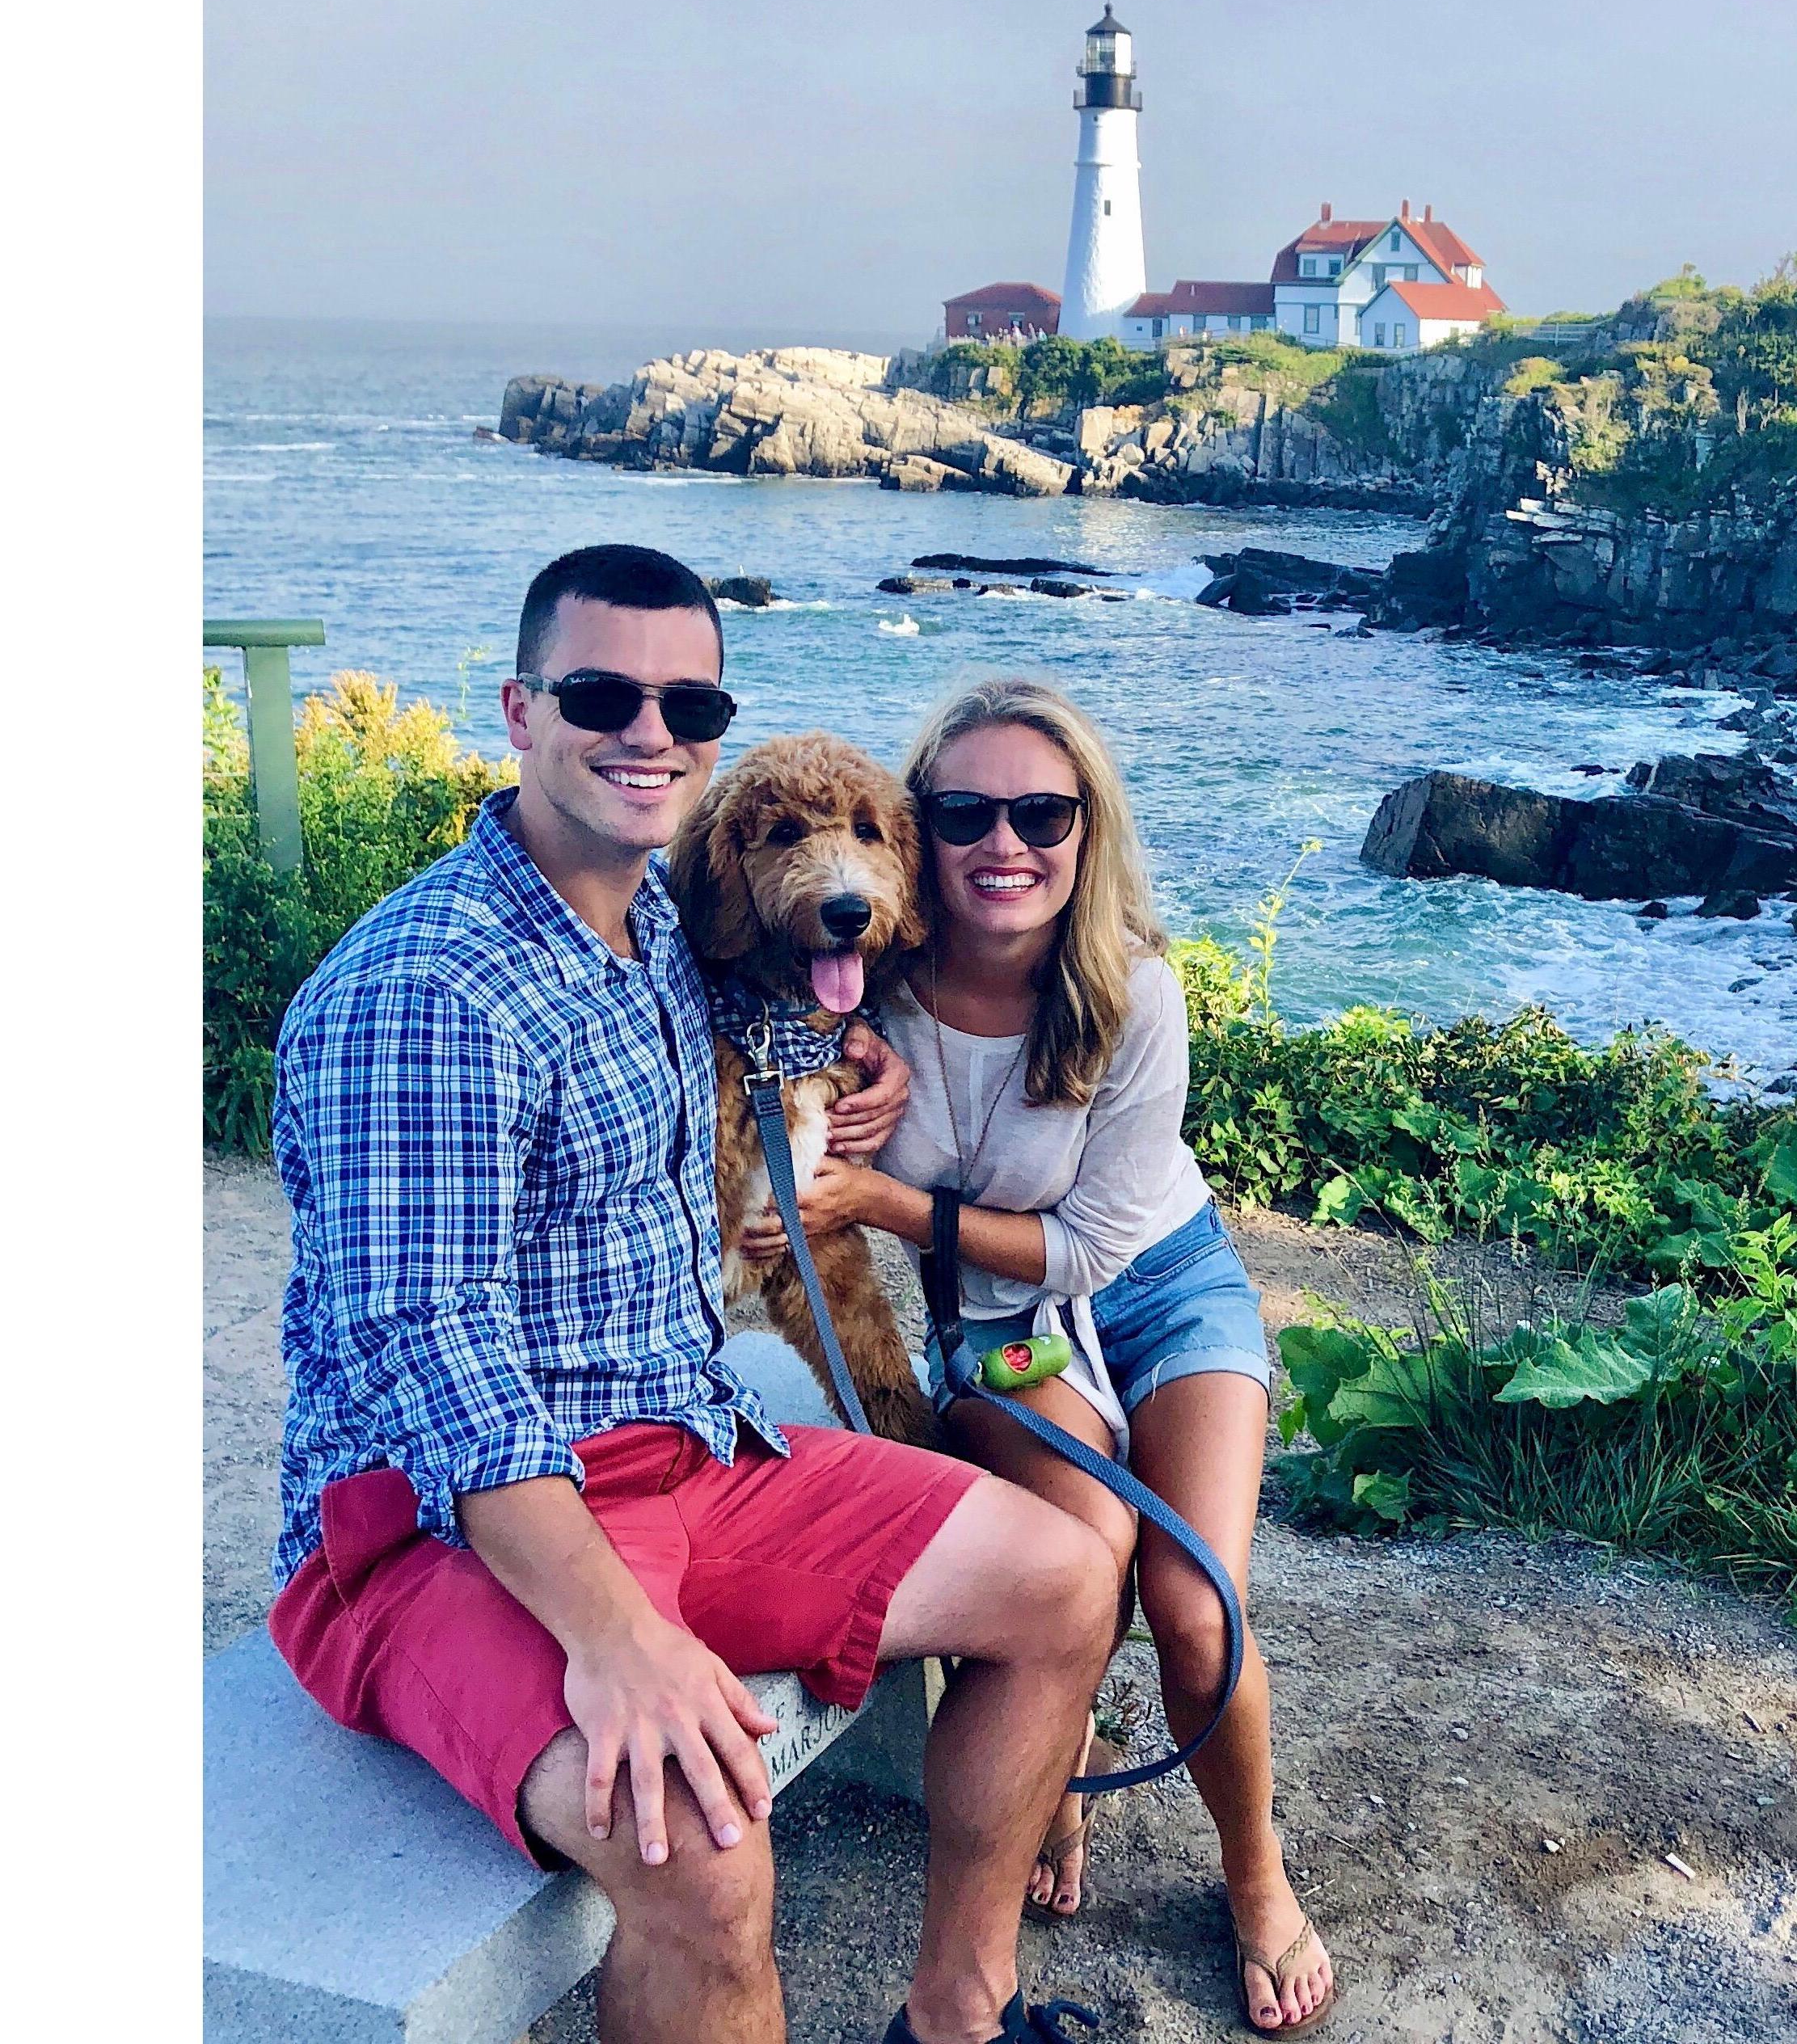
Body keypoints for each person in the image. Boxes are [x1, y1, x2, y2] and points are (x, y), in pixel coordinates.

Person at [268, 546, 1118, 2044]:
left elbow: (770, 993)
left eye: (690, 704)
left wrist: (854, 1054)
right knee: (706, 1851)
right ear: (521, 710)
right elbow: (441, 1367)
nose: (649, 732)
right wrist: (619, 1639)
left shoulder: (652, 918)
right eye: (603, 695)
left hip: (684, 1446)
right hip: (437, 1529)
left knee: (1062, 1580)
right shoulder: (426, 992)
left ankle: (957, 2017)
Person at [738, 676, 1339, 2036]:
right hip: (999, 1324)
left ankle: (1255, 1874)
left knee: (1195, 1607)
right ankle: (1044, 1792)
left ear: (1086, 829)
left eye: (1042, 814)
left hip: (1157, 1287)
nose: (1004, 843)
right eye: (964, 813)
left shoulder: (1131, 987)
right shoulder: (862, 972)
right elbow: (738, 1015)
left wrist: (879, 1200)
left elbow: (1085, 1248)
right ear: (917, 830)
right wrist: (834, 1093)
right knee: (1069, 1564)